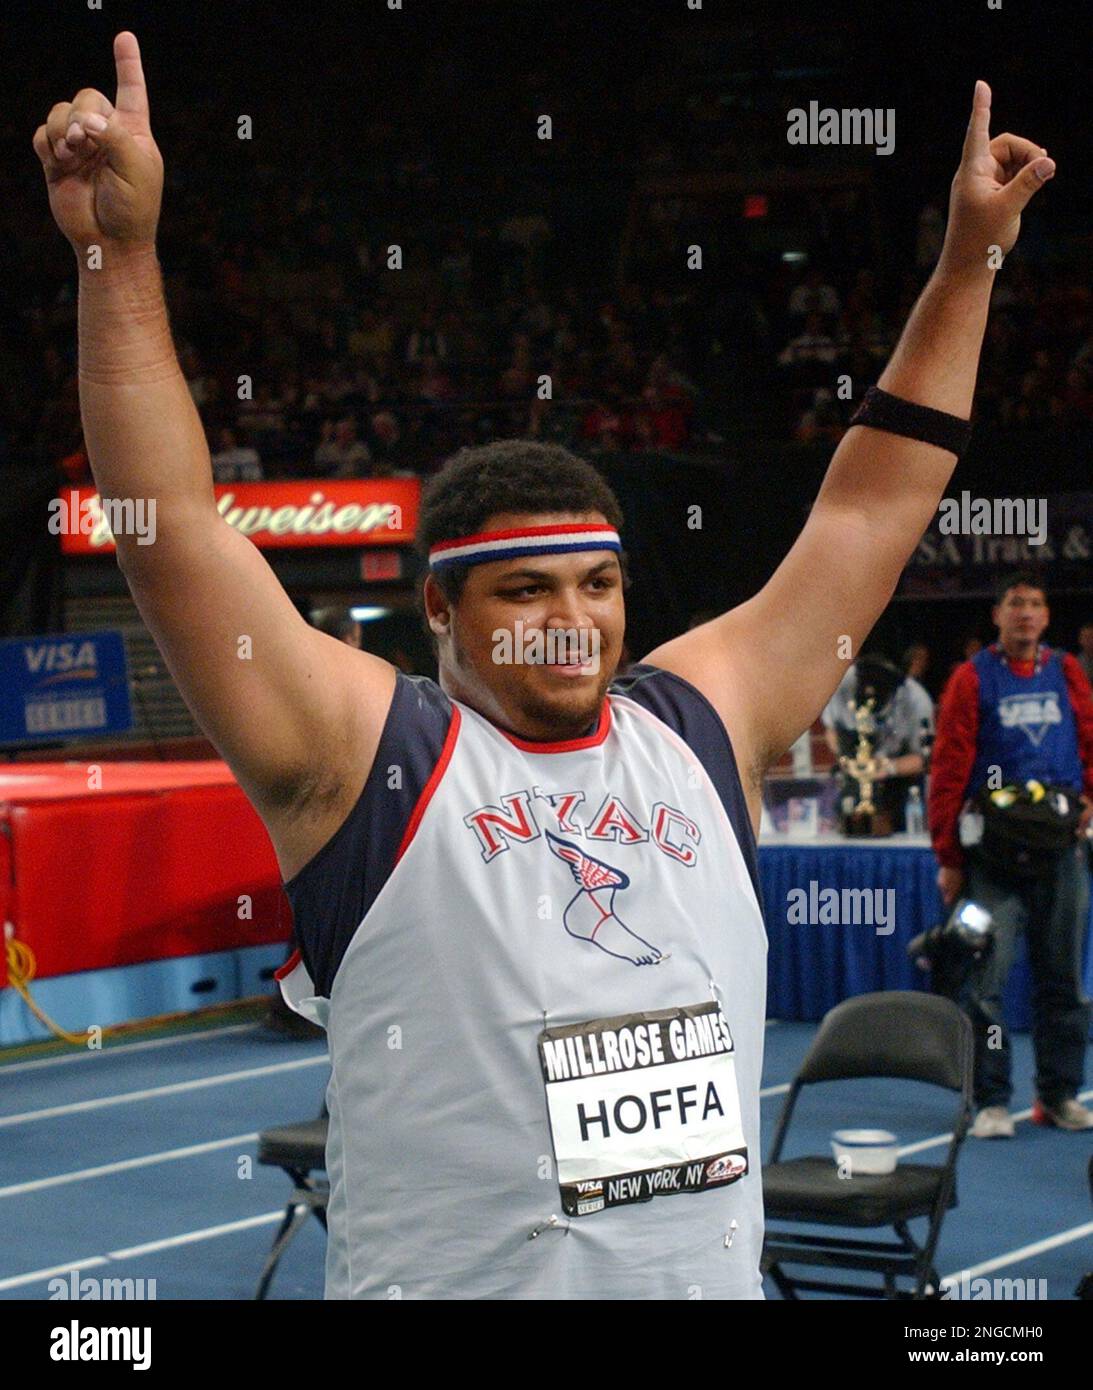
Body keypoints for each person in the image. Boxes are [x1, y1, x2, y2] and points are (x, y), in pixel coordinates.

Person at [37, 34, 1057, 1297]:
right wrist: (116, 255)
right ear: (442, 613)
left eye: (598, 583)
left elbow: (870, 508)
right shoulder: (374, 759)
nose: (571, 619)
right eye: (524, 591)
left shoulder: (696, 727)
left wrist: (968, 265)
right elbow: (171, 530)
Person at [929, 573, 1093, 1137]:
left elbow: (1091, 741)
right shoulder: (971, 680)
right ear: (997, 614)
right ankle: (993, 1100)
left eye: (1036, 604)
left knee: (1064, 981)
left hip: (1061, 856)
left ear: (1048, 617)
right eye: (1016, 603)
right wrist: (949, 857)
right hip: (991, 863)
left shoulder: (1066, 671)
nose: (1026, 613)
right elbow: (948, 769)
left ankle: (1059, 1095)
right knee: (985, 982)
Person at [821, 653, 934, 829]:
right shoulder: (840, 685)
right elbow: (831, 729)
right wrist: (845, 758)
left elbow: (926, 759)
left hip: (897, 785)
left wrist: (886, 767)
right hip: (852, 773)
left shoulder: (917, 700)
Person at [1077, 621, 1093, 685]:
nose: (1089, 641)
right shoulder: (1077, 662)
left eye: (1091, 637)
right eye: (1086, 637)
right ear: (1080, 640)